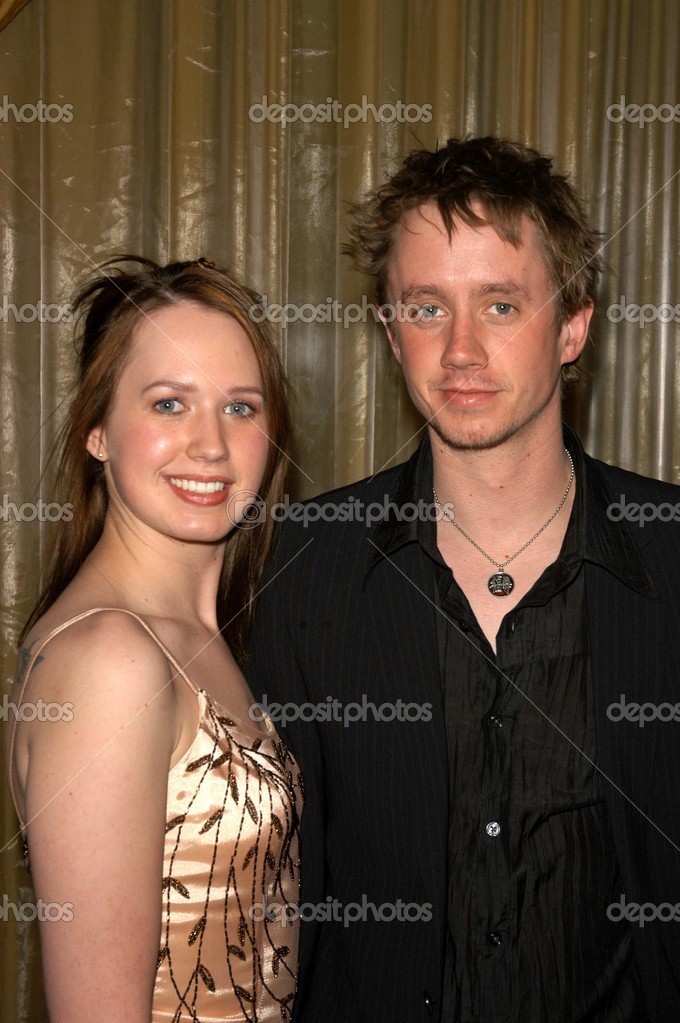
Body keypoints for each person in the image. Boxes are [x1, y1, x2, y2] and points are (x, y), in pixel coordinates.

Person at [246, 138, 680, 1022]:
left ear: (572, 325)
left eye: (501, 304)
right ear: (389, 328)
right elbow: (275, 905)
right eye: (425, 307)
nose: (461, 349)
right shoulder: (298, 567)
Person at [6, 257, 303, 1022]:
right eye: (170, 403)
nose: (210, 444)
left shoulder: (205, 635)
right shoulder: (111, 659)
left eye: (240, 407)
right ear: (97, 431)